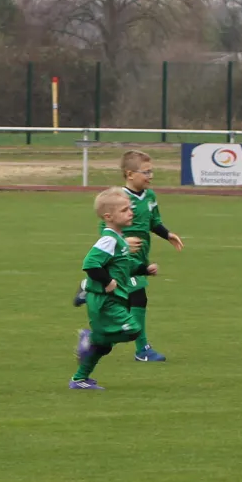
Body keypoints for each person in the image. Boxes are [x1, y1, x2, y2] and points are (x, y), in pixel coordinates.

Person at [75, 149, 183, 361]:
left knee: (123, 301)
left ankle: (89, 291)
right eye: (146, 172)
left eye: (151, 171)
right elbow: (105, 226)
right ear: (130, 174)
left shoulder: (150, 196)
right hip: (123, 258)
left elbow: (153, 222)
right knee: (137, 298)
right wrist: (122, 243)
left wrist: (167, 234)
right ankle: (141, 349)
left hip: (140, 258)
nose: (150, 176)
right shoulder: (120, 199)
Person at [69, 187, 150, 391]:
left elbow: (124, 265)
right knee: (133, 329)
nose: (130, 212)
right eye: (124, 210)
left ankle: (79, 379)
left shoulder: (119, 239)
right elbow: (90, 263)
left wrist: (144, 269)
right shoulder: (109, 240)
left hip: (114, 297)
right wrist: (106, 281)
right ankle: (89, 336)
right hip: (106, 300)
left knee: (104, 346)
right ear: (108, 217)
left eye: (130, 208)